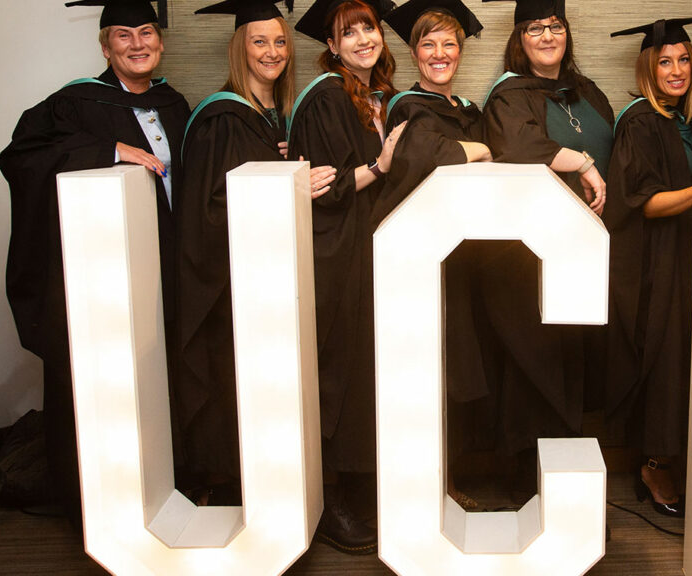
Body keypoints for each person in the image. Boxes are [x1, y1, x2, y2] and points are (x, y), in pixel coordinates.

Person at [0, 0, 189, 529]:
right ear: (105, 47)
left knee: (165, 366)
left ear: (161, 42)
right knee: (99, 381)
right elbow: (20, 157)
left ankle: (166, 484)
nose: (137, 43)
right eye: (123, 35)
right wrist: (108, 150)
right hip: (105, 277)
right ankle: (92, 499)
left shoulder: (176, 105)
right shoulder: (74, 105)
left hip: (167, 265)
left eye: (146, 32)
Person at [176, 0, 336, 505]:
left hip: (276, 283)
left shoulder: (278, 116)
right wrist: (288, 185)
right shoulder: (222, 117)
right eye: (259, 41)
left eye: (281, 41)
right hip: (234, 291)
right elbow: (212, 210)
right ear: (239, 48)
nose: (273, 52)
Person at [479, 0, 613, 501]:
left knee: (569, 359)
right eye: (535, 28)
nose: (547, 35)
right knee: (529, 364)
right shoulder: (509, 96)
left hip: (579, 252)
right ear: (520, 38)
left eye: (555, 26)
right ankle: (522, 478)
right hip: (525, 258)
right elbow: (516, 147)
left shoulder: (587, 92)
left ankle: (564, 477)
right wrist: (582, 162)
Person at [287, 0, 404, 555]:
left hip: (370, 247)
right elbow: (325, 187)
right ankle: (331, 497)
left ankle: (361, 487)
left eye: (369, 28)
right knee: (338, 369)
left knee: (366, 371)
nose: (363, 39)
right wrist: (380, 166)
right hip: (338, 253)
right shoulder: (328, 96)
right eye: (348, 33)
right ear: (331, 46)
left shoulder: (375, 95)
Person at [379, 0, 489, 509]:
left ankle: (446, 480)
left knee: (458, 371)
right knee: (426, 370)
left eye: (450, 43)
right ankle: (424, 489)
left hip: (466, 257)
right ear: (413, 52)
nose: (440, 53)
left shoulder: (468, 109)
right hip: (422, 264)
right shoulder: (408, 106)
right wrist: (480, 150)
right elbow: (424, 156)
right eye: (429, 44)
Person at [604, 16, 692, 519]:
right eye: (664, 62)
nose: (676, 70)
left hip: (688, 259)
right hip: (654, 264)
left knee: (689, 360)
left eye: (683, 60)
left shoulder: (684, 120)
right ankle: (651, 465)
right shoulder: (641, 121)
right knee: (663, 361)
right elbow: (641, 202)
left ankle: (677, 459)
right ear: (648, 67)